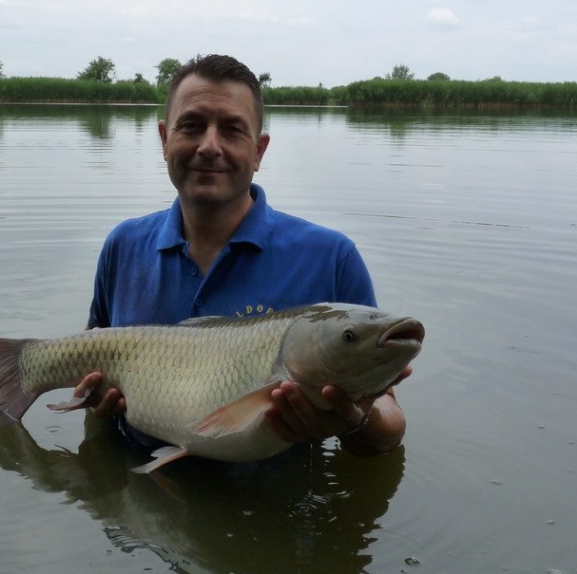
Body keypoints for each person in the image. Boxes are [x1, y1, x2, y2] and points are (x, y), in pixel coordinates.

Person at [73, 54, 409, 458]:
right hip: (139, 486)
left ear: (258, 151)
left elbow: (389, 420)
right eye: (191, 126)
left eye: (232, 130)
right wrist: (92, 400)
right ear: (165, 139)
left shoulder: (331, 256)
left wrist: (355, 420)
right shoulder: (123, 245)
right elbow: (93, 356)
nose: (209, 146)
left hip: (277, 502)